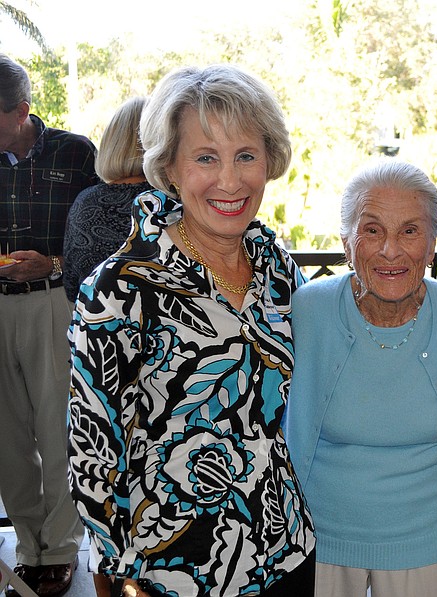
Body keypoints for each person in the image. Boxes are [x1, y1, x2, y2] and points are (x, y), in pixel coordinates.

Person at [67, 64, 315, 597]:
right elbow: (92, 451)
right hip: (175, 573)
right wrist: (117, 572)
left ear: (269, 161)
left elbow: (337, 341)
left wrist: (431, 299)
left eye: (245, 155)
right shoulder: (120, 288)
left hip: (287, 554)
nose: (230, 180)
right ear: (169, 168)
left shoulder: (276, 266)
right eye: (206, 157)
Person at [286, 159, 437, 597]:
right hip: (320, 534)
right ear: (346, 242)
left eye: (410, 231)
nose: (390, 251)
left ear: (433, 244)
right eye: (372, 230)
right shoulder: (307, 312)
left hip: (426, 535)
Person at [0, 54, 99, 597]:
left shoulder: (76, 153)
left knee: (57, 428)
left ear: (22, 112)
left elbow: (98, 240)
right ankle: (27, 545)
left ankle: (60, 548)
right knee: (6, 437)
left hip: (51, 301)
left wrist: (54, 264)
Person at [63, 96, 153, 302]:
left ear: (112, 143)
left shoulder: (87, 203)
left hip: (102, 328)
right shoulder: (177, 201)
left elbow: (72, 286)